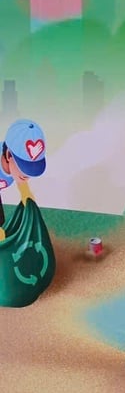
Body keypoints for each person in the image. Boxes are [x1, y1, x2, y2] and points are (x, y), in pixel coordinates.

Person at [0, 118, 54, 307]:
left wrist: (26, 195)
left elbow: (21, 182)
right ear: (8, 155)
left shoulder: (13, 169)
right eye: (23, 168)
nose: (26, 174)